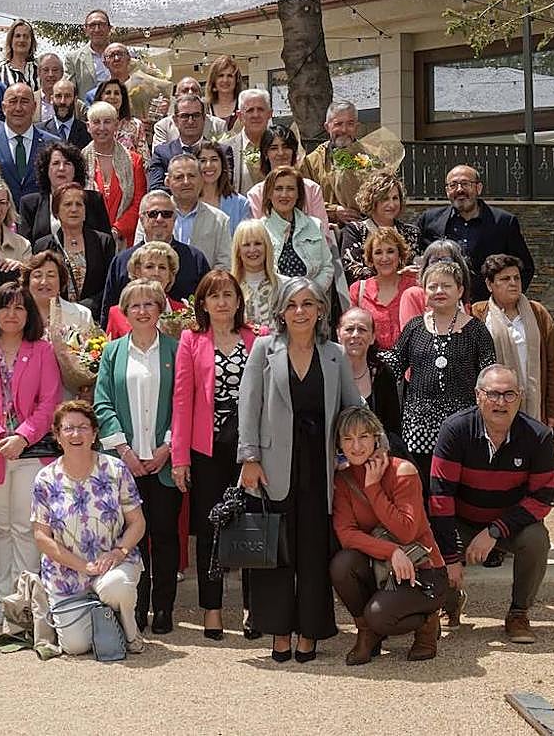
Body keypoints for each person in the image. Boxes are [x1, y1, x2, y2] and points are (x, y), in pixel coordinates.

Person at [237, 276, 363, 662]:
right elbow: (248, 406)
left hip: (319, 467)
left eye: (308, 304)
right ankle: (278, 631)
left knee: (312, 554)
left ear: (321, 310)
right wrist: (249, 458)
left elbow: (352, 407)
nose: (300, 312)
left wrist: (364, 448)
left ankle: (310, 631)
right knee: (275, 554)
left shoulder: (335, 354)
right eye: (292, 305)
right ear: (280, 311)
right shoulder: (263, 349)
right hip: (272, 467)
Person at [430, 365, 554, 643]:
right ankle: (448, 605)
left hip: (509, 525)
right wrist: (451, 558)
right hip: (462, 520)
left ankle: (518, 613)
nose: (501, 402)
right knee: (433, 537)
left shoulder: (539, 437)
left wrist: (494, 532)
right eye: (493, 394)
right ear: (478, 396)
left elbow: (541, 499)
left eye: (509, 394)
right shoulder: (455, 430)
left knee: (537, 538)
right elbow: (441, 498)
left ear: (520, 397)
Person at [0, 282, 61, 626]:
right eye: (5, 307)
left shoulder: (43, 351)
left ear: (29, 313)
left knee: (24, 527)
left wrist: (21, 436)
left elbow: (49, 404)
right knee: (2, 528)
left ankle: (28, 602)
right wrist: (0, 436)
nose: (12, 314)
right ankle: (5, 600)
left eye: (20, 308)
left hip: (31, 453)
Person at [171, 270, 262, 639]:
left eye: (228, 295)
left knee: (249, 527)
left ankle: (251, 607)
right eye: (214, 296)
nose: (222, 302)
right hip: (206, 447)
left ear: (239, 300)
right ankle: (211, 608)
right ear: (203, 304)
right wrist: (180, 456)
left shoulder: (257, 338)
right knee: (210, 529)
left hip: (249, 448)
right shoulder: (191, 341)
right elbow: (181, 399)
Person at [93, 279, 182, 634]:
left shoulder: (177, 350)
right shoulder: (113, 352)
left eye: (150, 304)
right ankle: (136, 606)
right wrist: (125, 451)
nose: (143, 311)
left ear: (161, 309)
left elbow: (184, 403)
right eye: (135, 305)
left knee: (164, 536)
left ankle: (163, 609)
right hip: (123, 465)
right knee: (130, 539)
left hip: (163, 463)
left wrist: (167, 447)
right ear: (124, 312)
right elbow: (102, 403)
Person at [330, 406, 448, 664]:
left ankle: (428, 621)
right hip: (384, 565)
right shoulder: (343, 480)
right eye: (347, 439)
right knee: (342, 564)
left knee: (379, 616)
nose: (356, 446)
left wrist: (373, 487)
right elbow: (346, 535)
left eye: (363, 437)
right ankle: (366, 633)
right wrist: (391, 552)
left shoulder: (402, 471)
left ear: (376, 437)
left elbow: (406, 531)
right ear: (339, 443)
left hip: (423, 570)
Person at [33, 400, 148, 655]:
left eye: (83, 427)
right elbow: (42, 537)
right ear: (57, 435)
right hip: (67, 574)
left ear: (94, 433)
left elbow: (137, 522)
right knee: (75, 647)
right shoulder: (45, 478)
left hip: (112, 565)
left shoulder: (116, 469)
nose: (76, 434)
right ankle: (97, 615)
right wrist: (82, 566)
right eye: (69, 428)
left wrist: (119, 552)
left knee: (115, 587)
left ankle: (129, 629)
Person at [384, 260, 496, 496]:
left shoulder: (476, 330)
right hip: (418, 426)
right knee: (422, 488)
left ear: (460, 291)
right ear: (423, 292)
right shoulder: (414, 327)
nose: (439, 291)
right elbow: (392, 366)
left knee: (459, 488)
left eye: (446, 286)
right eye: (432, 286)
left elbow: (489, 376)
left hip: (463, 425)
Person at [416, 165, 535, 303]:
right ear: (447, 191)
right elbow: (412, 258)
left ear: (478, 188)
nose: (459, 189)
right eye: (453, 185)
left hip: (487, 308)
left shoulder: (504, 222)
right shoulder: (429, 220)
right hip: (441, 306)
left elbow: (525, 267)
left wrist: (508, 301)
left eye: (465, 184)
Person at [472, 254, 554, 429]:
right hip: (494, 404)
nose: (513, 283)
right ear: (489, 284)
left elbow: (553, 365)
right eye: (505, 278)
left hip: (534, 406)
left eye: (517, 278)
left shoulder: (538, 313)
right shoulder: (478, 314)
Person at [100, 191, 212, 325]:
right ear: (141, 219)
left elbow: (207, 306)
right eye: (153, 214)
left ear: (174, 219)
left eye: (166, 214)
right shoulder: (121, 261)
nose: (159, 219)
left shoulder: (195, 259)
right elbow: (108, 313)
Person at [32, 183, 116, 320]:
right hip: (55, 317)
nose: (74, 209)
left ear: (85, 211)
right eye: (67, 204)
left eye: (79, 204)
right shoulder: (43, 245)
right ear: (56, 211)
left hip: (93, 318)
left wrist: (86, 307)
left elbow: (110, 284)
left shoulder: (103, 242)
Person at [0, 82, 61, 203]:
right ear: (3, 108)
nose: (18, 108)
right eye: (13, 101)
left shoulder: (52, 144)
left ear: (34, 107)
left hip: (39, 218)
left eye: (25, 101)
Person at [18, 141, 111, 246]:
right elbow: (23, 246)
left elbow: (106, 242)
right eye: (56, 163)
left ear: (76, 170)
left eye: (67, 163)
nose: (61, 168)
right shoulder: (29, 204)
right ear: (46, 169)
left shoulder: (94, 200)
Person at [261, 166, 334, 296]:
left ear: (298, 193)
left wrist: (310, 294)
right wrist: (289, 295)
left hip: (312, 301)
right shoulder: (259, 230)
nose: (284, 195)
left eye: (290, 189)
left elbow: (327, 268)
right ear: (269, 193)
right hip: (275, 301)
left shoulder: (315, 225)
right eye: (278, 189)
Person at [83, 100, 147, 248]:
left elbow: (139, 203)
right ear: (88, 127)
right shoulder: (80, 160)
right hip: (90, 240)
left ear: (117, 125)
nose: (102, 128)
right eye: (96, 122)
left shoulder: (134, 161)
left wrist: (117, 230)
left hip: (125, 240)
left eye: (107, 122)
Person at [339, 170, 421, 284]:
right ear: (372, 200)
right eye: (385, 199)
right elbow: (352, 270)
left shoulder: (411, 232)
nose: (391, 204)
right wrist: (397, 275)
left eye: (395, 198)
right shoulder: (355, 231)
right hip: (369, 296)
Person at [337, 308, 403, 449]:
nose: (355, 335)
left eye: (362, 330)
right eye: (349, 329)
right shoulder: (329, 373)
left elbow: (393, 428)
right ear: (338, 334)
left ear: (373, 337)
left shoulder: (382, 374)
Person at [297, 101, 369, 225]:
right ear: (327, 127)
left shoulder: (370, 158)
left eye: (350, 124)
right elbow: (305, 199)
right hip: (327, 231)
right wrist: (333, 211)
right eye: (338, 124)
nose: (344, 130)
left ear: (357, 127)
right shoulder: (312, 161)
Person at [247, 125, 331, 230]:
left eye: (286, 147)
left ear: (294, 151)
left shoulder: (311, 189)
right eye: (274, 148)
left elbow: (323, 233)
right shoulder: (256, 194)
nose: (281, 153)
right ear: (265, 154)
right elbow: (257, 236)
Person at [348, 227, 416, 350]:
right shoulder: (358, 290)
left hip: (409, 365)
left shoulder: (414, 288)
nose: (385, 258)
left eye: (390, 251)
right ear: (371, 258)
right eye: (378, 252)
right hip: (370, 364)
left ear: (400, 254)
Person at [162, 153, 232, 270]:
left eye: (191, 176)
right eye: (179, 177)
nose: (186, 182)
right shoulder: (152, 215)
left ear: (201, 179)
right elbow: (139, 256)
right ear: (168, 182)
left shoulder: (219, 220)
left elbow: (224, 265)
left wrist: (205, 287)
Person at [105, 241, 187, 339]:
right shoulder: (117, 313)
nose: (156, 273)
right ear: (138, 272)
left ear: (170, 275)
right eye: (150, 267)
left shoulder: (183, 312)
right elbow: (111, 351)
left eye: (162, 267)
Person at [398, 239, 473, 326]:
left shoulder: (462, 298)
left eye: (446, 260)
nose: (439, 265)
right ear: (425, 267)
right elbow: (411, 335)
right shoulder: (413, 295)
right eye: (434, 261)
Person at [25, 250, 95, 342]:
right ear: (28, 282)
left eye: (51, 275)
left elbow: (92, 350)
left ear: (61, 281)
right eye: (38, 276)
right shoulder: (17, 314)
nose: (44, 282)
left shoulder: (82, 314)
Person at [231, 219, 285, 326]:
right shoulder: (229, 288)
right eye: (246, 245)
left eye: (258, 243)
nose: (252, 249)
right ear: (238, 251)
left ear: (267, 247)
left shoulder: (284, 285)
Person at [197, 140, 251, 237]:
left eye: (214, 159)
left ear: (222, 164)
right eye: (203, 161)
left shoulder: (241, 204)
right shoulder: (188, 201)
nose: (209, 165)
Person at [228, 89, 272, 194]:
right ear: (240, 116)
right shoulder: (226, 149)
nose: (255, 115)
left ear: (270, 114)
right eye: (250, 110)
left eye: (260, 109)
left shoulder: (282, 147)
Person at [64, 9, 115, 98]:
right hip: (87, 110)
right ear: (85, 30)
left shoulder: (123, 56)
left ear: (109, 28)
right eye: (92, 25)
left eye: (101, 25)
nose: (97, 29)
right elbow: (69, 92)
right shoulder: (73, 59)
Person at [96, 77, 149, 162]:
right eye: (108, 93)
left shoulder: (136, 125)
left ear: (122, 98)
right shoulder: (93, 125)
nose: (112, 97)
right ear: (100, 97)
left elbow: (144, 160)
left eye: (117, 93)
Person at [37, 78, 91, 149]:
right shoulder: (39, 131)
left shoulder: (87, 131)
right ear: (52, 99)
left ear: (75, 100)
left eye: (67, 96)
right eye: (58, 96)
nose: (62, 101)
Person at [0, 19, 38, 89]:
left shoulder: (40, 67)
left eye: (26, 36)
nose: (22, 40)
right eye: (18, 36)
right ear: (11, 40)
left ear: (31, 41)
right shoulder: (0, 70)